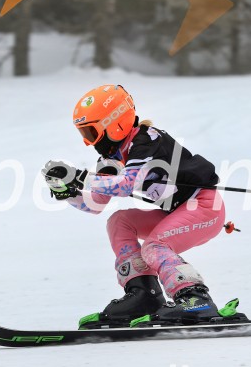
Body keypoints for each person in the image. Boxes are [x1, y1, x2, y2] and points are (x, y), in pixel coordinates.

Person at [44, 84, 231, 329]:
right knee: (119, 222)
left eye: (91, 132)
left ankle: (195, 299)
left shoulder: (147, 139)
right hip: (177, 211)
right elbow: (96, 204)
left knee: (155, 246)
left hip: (204, 207)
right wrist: (68, 192)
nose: (88, 142)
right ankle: (143, 295)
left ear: (114, 122)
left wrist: (79, 177)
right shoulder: (111, 157)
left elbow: (127, 184)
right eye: (84, 134)